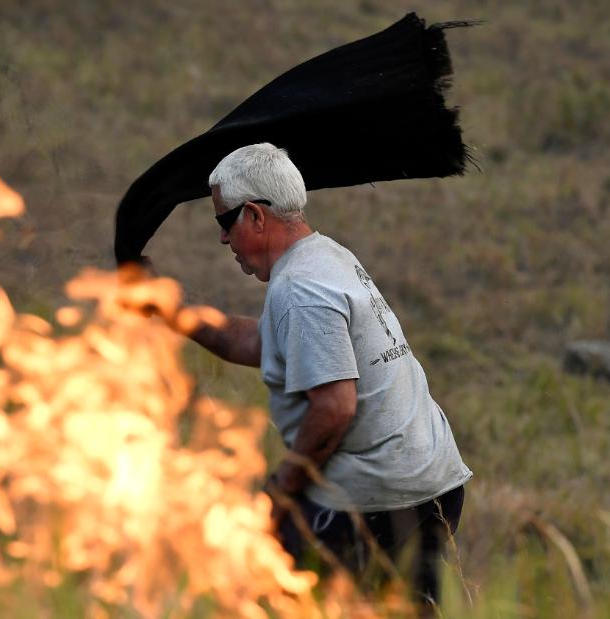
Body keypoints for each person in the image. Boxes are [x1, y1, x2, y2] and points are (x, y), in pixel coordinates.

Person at [157, 143, 472, 608]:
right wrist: (170, 308)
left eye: (225, 223)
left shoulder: (300, 288)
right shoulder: (326, 257)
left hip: (380, 497)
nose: (224, 240)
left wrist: (282, 488)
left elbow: (335, 406)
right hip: (432, 480)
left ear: (256, 216)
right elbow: (251, 342)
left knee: (272, 582)